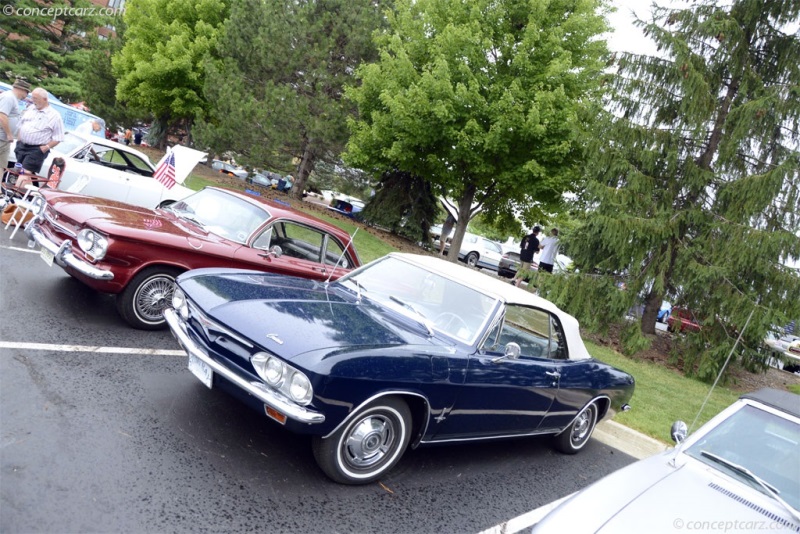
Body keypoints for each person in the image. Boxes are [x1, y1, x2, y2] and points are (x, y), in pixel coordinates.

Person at [14, 87, 64, 181]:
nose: (33, 101)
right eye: (33, 98)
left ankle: (15, 193)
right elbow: (21, 124)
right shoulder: (30, 109)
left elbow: (59, 137)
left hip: (36, 149)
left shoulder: (54, 116)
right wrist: (19, 140)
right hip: (22, 145)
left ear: (45, 99)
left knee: (25, 172)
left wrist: (47, 147)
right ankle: (33, 194)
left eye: (36, 99)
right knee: (19, 171)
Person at [0, 79, 31, 171]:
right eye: (27, 92)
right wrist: (9, 134)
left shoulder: (13, 99)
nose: (26, 96)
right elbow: (2, 116)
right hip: (1, 137)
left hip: (5, 140)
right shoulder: (8, 97)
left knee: (2, 166)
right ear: (22, 90)